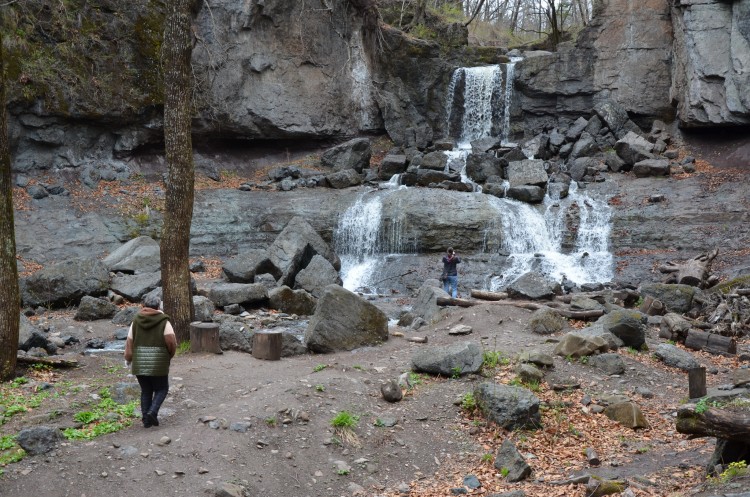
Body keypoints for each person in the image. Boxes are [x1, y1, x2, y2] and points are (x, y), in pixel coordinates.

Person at [124, 294, 177, 428]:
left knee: (146, 391)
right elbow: (171, 342)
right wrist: (168, 356)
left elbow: (129, 342)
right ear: (158, 306)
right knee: (162, 388)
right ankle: (152, 412)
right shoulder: (164, 321)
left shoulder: (136, 320)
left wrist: (128, 359)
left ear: (144, 306)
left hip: (140, 362)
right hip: (159, 362)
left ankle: (146, 421)